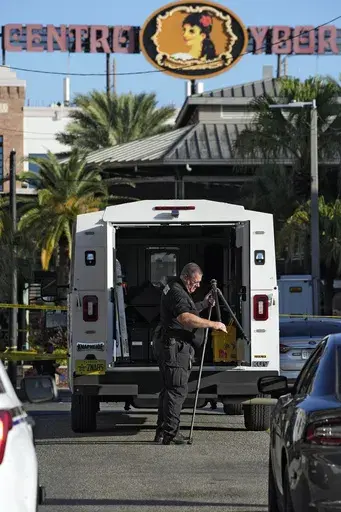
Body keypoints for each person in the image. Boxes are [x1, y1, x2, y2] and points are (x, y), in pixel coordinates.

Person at [153, 262, 227, 445]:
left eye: (199, 283)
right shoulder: (177, 292)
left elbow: (187, 308)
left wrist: (204, 304)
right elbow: (185, 318)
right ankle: (171, 433)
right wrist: (214, 324)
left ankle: (162, 431)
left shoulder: (175, 288)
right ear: (186, 277)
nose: (198, 286)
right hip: (175, 349)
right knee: (177, 390)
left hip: (169, 345)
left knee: (168, 390)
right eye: (195, 282)